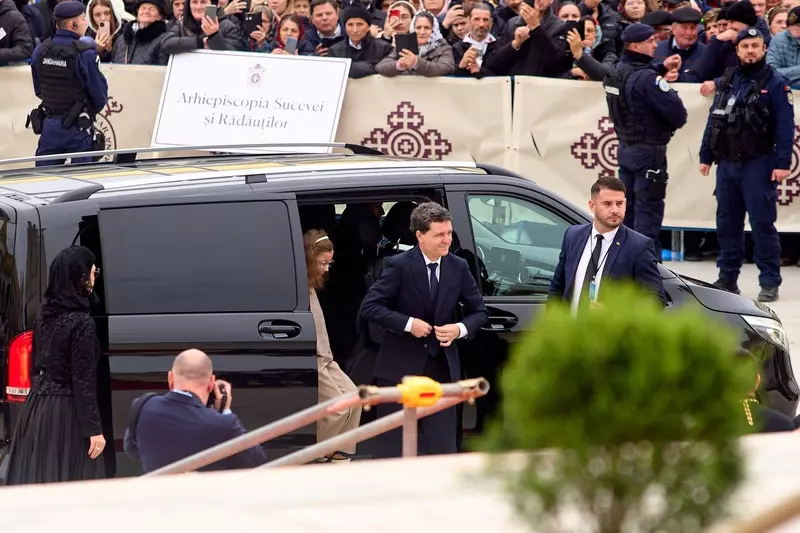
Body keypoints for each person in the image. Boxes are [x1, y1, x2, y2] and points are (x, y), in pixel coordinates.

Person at [359, 201, 488, 458]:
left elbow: (480, 312)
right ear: (420, 236)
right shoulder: (399, 265)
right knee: (393, 451)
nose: (447, 240)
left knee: (442, 450)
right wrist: (409, 324)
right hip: (400, 370)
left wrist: (459, 329)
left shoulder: (458, 266)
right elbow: (370, 307)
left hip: (442, 371)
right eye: (439, 235)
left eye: (449, 233)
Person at [698, 27, 794, 302]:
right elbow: (714, 119)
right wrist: (705, 155)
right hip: (727, 164)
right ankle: (728, 278)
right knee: (727, 223)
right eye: (745, 46)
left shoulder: (776, 83)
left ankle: (769, 282)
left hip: (759, 163)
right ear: (737, 50)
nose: (750, 51)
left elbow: (785, 128)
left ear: (764, 48)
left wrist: (782, 162)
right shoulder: (728, 80)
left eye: (755, 46)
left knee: (762, 224)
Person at [4, 246, 106, 484]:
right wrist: (94, 430)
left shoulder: (44, 316)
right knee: (72, 477)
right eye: (93, 272)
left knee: (43, 476)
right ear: (81, 277)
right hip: (67, 413)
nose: (94, 278)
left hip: (38, 407)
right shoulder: (82, 324)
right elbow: (83, 382)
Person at [602, 22, 688, 259]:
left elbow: (633, 76)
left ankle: (624, 269)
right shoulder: (648, 80)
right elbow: (679, 115)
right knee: (647, 219)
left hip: (625, 150)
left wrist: (660, 68)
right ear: (634, 45)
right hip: (649, 154)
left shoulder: (614, 73)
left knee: (625, 216)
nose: (655, 45)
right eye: (650, 41)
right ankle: (648, 272)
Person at [123, 349, 267, 473]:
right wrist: (225, 410)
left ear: (170, 378)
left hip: (158, 495)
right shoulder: (224, 424)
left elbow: (132, 450)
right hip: (201, 496)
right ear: (211, 383)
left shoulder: (143, 406)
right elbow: (256, 461)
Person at [548, 176, 666, 311]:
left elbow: (655, 300)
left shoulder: (639, 246)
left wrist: (613, 314)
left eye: (619, 203)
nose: (615, 210)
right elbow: (557, 288)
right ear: (592, 206)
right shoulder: (573, 236)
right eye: (607, 204)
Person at [303, 229, 362, 463]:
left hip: (326, 355)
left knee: (355, 397)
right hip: (315, 355)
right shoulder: (300, 286)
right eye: (322, 263)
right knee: (338, 408)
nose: (327, 268)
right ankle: (318, 451)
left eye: (330, 263)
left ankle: (337, 448)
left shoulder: (312, 286)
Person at [28, 1, 108, 167]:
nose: (86, 23)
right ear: (73, 24)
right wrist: (83, 108)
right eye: (83, 18)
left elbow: (38, 88)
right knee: (81, 179)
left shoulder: (41, 50)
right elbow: (99, 95)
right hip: (78, 127)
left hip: (50, 125)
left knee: (43, 179)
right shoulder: (85, 53)